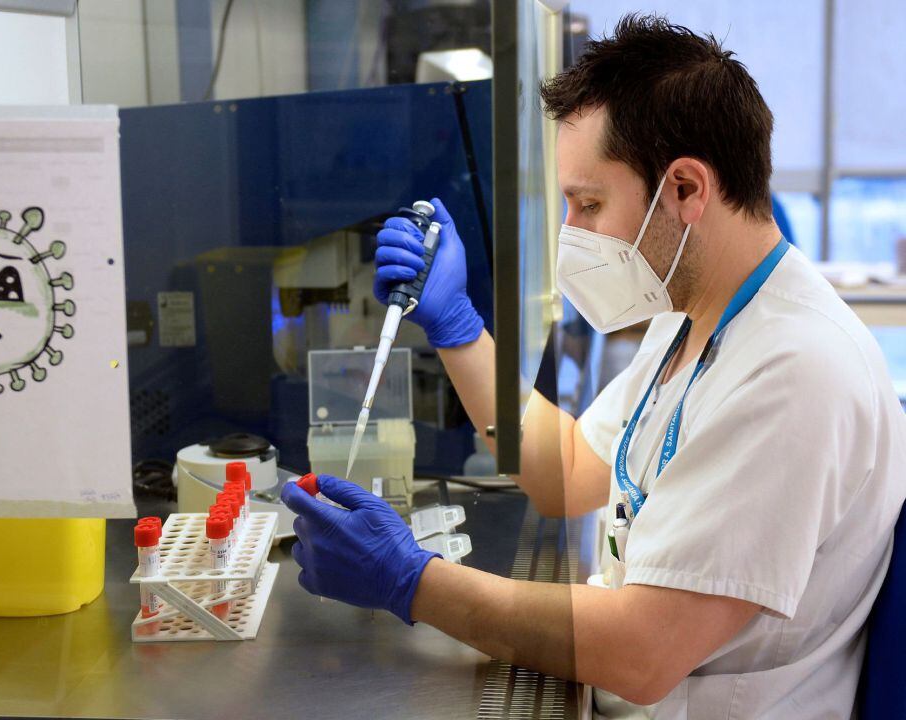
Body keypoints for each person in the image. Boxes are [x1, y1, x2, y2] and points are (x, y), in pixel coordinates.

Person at [282, 14, 906, 718]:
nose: (570, 234)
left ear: (686, 190)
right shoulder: (693, 315)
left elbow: (641, 653)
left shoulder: (796, 373)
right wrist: (457, 327)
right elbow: (571, 471)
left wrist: (411, 581)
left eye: (589, 204)